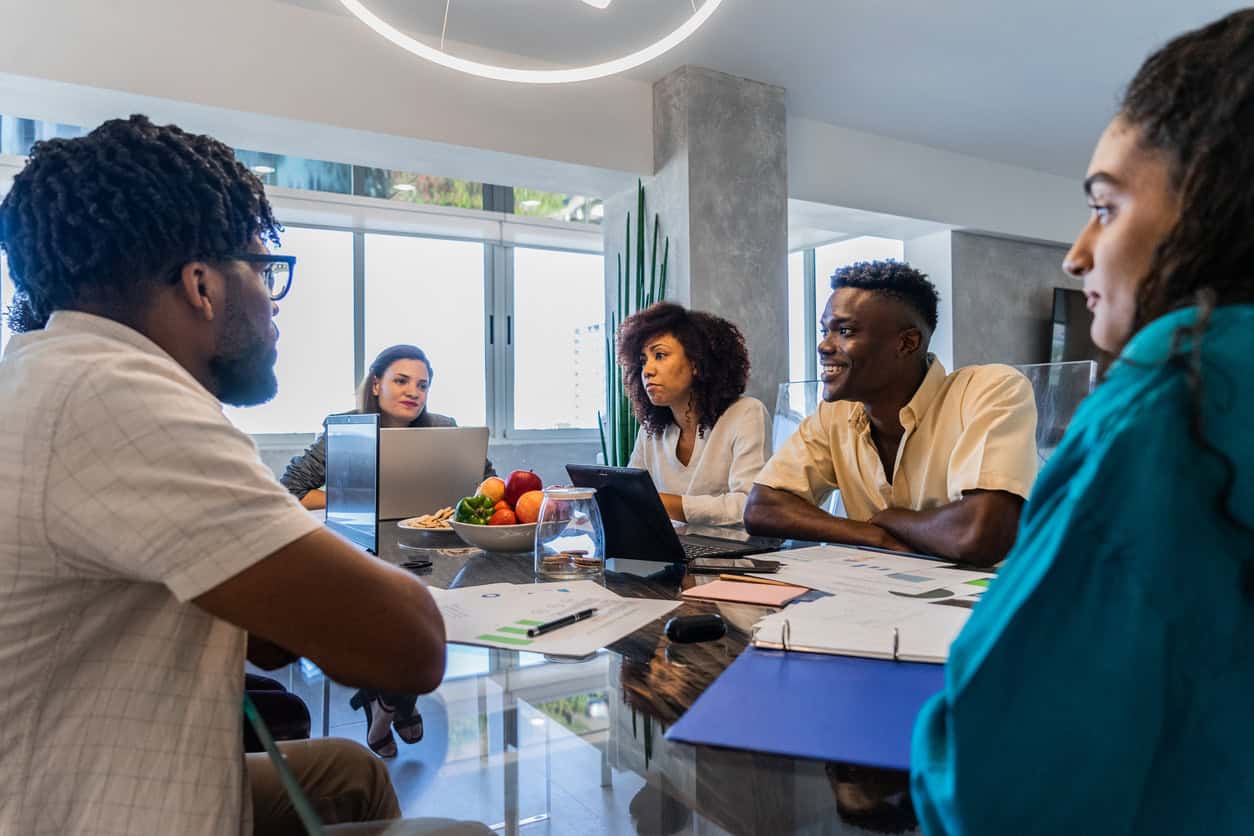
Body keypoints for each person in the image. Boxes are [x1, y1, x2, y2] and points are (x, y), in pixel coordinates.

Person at [0, 115, 449, 835]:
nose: (273, 302)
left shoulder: (49, 372)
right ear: (202, 285)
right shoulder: (117, 397)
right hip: (83, 808)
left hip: (72, 768)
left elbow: (266, 636)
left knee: (351, 773)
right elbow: (411, 647)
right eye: (264, 272)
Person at [912, 10, 1254, 833]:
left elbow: (990, 785)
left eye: (1105, 206)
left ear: (1217, 202)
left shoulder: (1162, 406)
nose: (1076, 253)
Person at [744, 261, 1038, 566]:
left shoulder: (989, 389)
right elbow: (762, 507)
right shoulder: (836, 414)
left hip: (983, 593)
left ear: (907, 343)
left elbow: (978, 536)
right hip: (881, 589)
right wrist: (874, 536)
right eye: (824, 331)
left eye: (845, 331)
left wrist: (891, 518)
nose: (823, 346)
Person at [282, 343, 495, 511]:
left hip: (431, 534)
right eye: (401, 381)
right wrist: (363, 501)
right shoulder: (345, 432)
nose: (413, 392)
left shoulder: (445, 428)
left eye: (422, 385)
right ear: (376, 385)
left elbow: (491, 487)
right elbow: (291, 491)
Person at [616, 302, 770, 527]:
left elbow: (749, 504)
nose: (647, 370)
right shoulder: (650, 430)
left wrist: (660, 503)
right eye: (643, 361)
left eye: (660, 355)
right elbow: (629, 494)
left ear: (696, 363)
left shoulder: (746, 413)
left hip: (736, 547)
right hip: (674, 545)